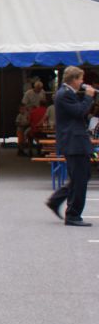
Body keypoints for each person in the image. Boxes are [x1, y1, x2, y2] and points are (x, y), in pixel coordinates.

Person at [45, 66, 97, 226]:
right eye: (80, 78)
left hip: (76, 141)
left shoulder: (68, 93)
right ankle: (73, 214)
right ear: (73, 79)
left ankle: (56, 200)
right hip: (73, 142)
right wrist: (88, 97)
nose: (82, 82)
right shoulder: (64, 94)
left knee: (82, 176)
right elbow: (79, 112)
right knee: (80, 178)